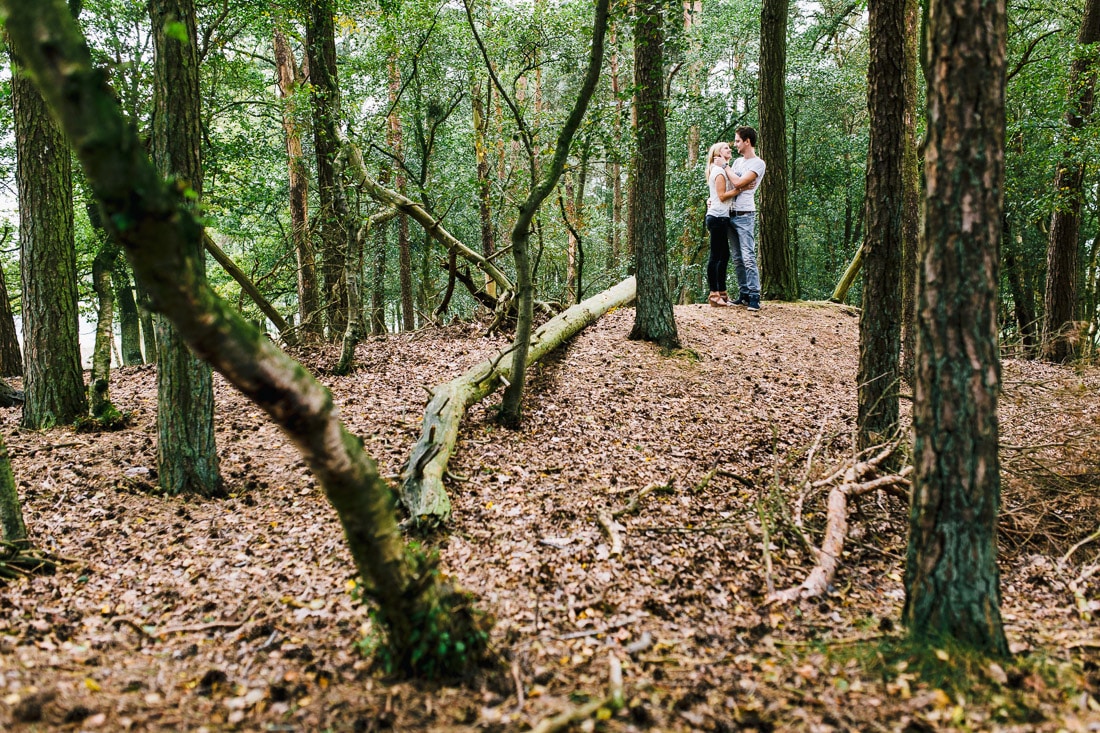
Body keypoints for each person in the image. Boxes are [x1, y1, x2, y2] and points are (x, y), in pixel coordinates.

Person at [724, 127, 765, 311]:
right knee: (737, 257)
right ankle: (744, 294)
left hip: (745, 214)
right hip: (730, 212)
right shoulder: (738, 162)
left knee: (748, 256)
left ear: (747, 141)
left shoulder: (758, 164)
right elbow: (730, 184)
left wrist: (725, 167)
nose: (735, 145)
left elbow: (738, 182)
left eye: (738, 141)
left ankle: (755, 295)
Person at [703, 141, 739, 307]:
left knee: (724, 255)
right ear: (717, 154)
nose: (729, 149)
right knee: (716, 256)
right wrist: (739, 189)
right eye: (726, 148)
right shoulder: (718, 172)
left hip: (721, 217)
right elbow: (722, 196)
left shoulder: (721, 170)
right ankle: (714, 293)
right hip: (717, 217)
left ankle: (722, 293)